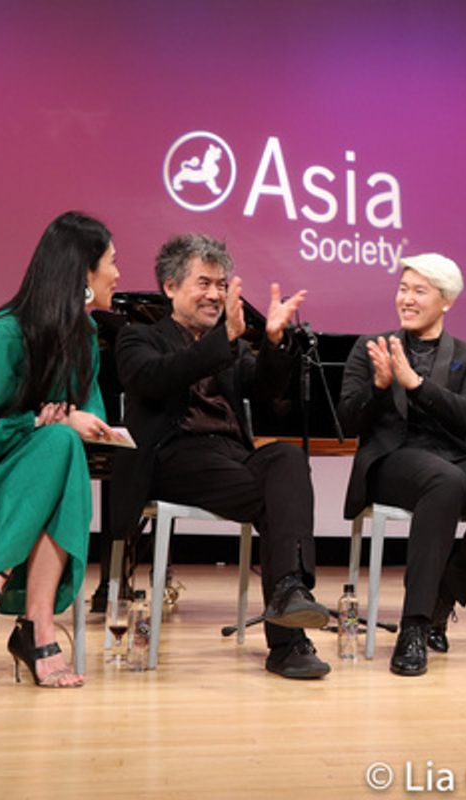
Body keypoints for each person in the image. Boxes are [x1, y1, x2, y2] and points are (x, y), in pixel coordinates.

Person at [110, 234, 330, 679]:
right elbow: (155, 378)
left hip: (229, 457)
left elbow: (266, 391)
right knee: (279, 502)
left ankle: (289, 591)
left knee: (286, 458)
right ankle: (288, 642)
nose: (216, 293)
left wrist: (272, 341)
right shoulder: (138, 338)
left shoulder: (229, 349)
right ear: (170, 287)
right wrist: (223, 340)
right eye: (204, 283)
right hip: (173, 458)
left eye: (221, 283)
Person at [0, 211, 120, 688]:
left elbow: (87, 416)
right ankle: (31, 622)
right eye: (112, 262)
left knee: (61, 444)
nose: (117, 274)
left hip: (38, 459)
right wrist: (38, 421)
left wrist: (89, 428)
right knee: (56, 442)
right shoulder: (6, 334)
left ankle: (0, 588)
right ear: (83, 275)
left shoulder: (86, 338)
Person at [339, 253, 466, 676]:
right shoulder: (370, 347)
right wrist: (381, 385)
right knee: (444, 482)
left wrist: (416, 385)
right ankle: (414, 628)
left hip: (452, 453)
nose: (406, 298)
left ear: (446, 301)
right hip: (392, 459)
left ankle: (440, 601)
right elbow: (348, 420)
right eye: (403, 289)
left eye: (418, 291)